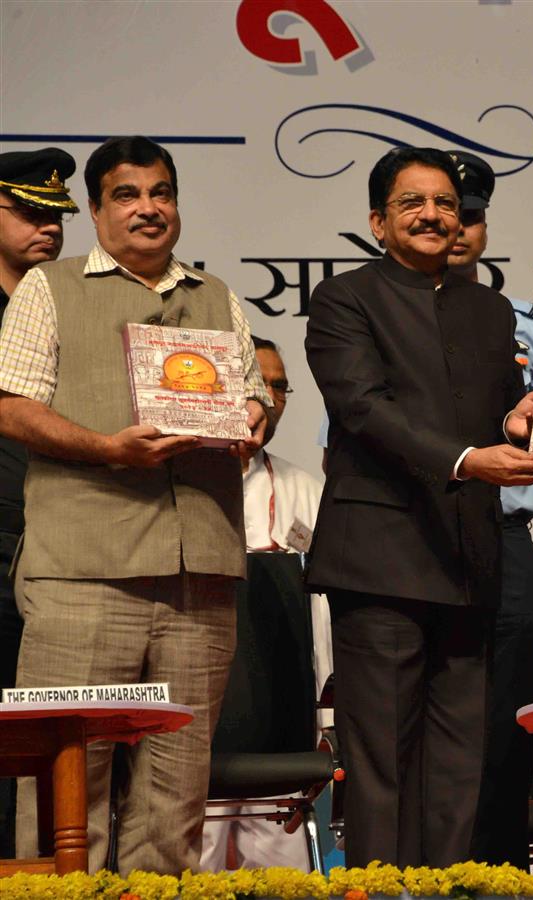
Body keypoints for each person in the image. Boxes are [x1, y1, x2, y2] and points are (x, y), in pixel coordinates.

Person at [0, 136, 270, 874]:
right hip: (85, 569)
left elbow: (252, 393)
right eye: (127, 194)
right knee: (63, 789)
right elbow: (11, 405)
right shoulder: (49, 286)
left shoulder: (214, 295)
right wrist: (107, 448)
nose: (147, 208)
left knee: (175, 797)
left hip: (201, 573)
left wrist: (254, 418)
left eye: (161, 193)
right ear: (94, 210)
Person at [304, 147, 533, 868]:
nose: (433, 215)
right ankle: (380, 891)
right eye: (413, 203)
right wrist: (470, 460)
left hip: (468, 557)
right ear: (379, 222)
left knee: (457, 761)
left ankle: (452, 889)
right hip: (380, 559)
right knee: (381, 761)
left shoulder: (488, 308)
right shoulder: (345, 298)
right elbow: (363, 409)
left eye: (446, 204)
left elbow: (494, 411)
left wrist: (517, 420)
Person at [443, 152, 533, 868]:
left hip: (508, 539)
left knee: (506, 721)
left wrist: (513, 501)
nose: (458, 228)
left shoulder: (526, 322)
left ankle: (499, 872)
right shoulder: (371, 312)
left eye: (473, 215)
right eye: (446, 212)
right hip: (419, 541)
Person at [200, 335, 331, 872]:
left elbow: (323, 617)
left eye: (281, 387)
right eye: (261, 385)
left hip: (282, 704)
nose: (271, 398)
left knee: (281, 861)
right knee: (195, 856)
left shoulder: (305, 488)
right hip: (204, 697)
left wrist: (325, 718)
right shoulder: (182, 479)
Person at [0, 146, 77, 860]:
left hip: (56, 547)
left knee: (40, 732)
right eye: (28, 211)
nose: (47, 227)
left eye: (56, 215)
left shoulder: (69, 305)